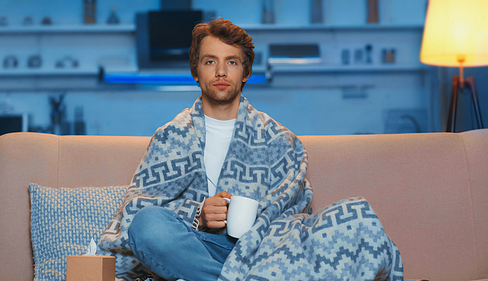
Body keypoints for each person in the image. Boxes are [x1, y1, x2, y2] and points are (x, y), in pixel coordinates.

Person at [98, 18, 403, 281]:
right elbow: (134, 211)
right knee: (148, 226)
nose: (220, 71)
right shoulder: (169, 137)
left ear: (245, 73)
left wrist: (260, 226)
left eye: (231, 62)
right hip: (196, 247)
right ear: (196, 71)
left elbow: (296, 208)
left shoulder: (280, 140)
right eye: (209, 61)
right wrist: (198, 215)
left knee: (355, 219)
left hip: (262, 248)